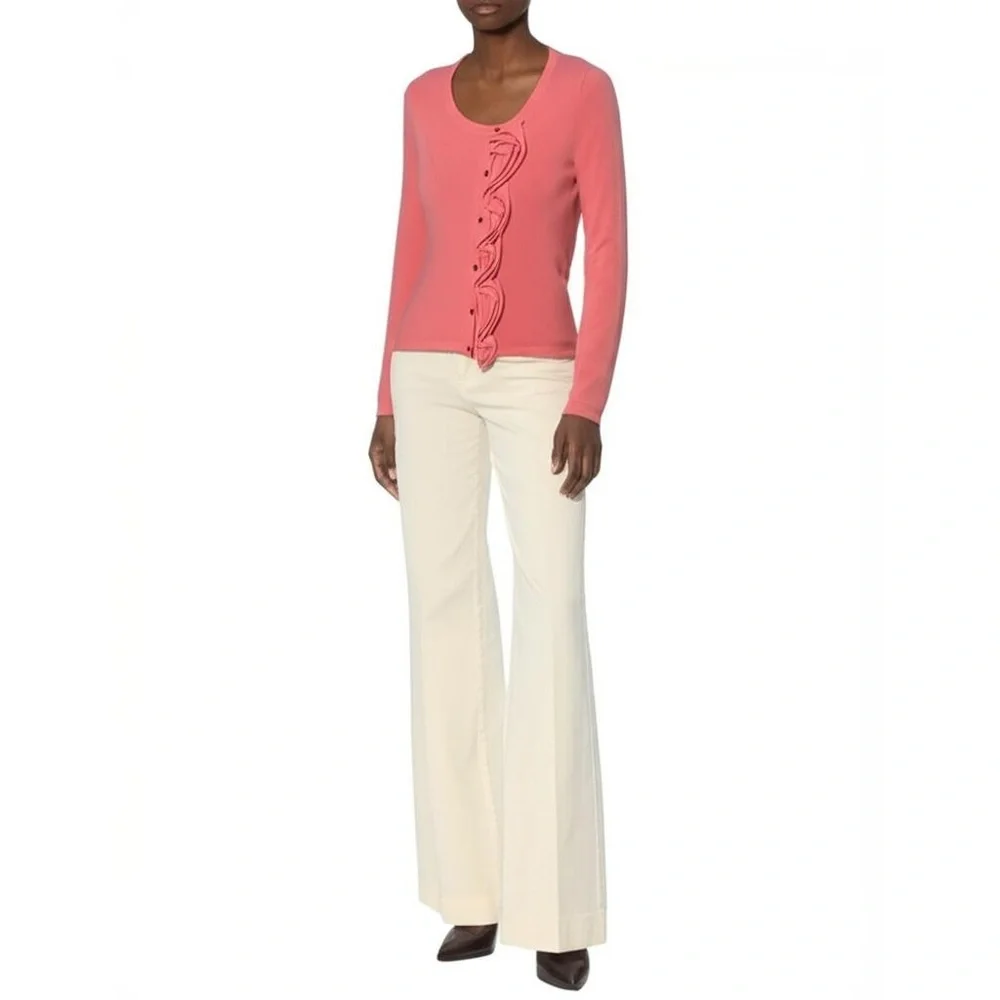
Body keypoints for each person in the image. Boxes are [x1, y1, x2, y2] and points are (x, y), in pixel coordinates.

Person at [367, 0, 627, 990]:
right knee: (443, 613)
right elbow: (410, 244)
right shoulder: (419, 99)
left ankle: (555, 906)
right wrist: (386, 397)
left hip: (539, 382)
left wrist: (588, 397)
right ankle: (471, 889)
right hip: (427, 376)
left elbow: (608, 249)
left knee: (551, 612)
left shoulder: (585, 92)